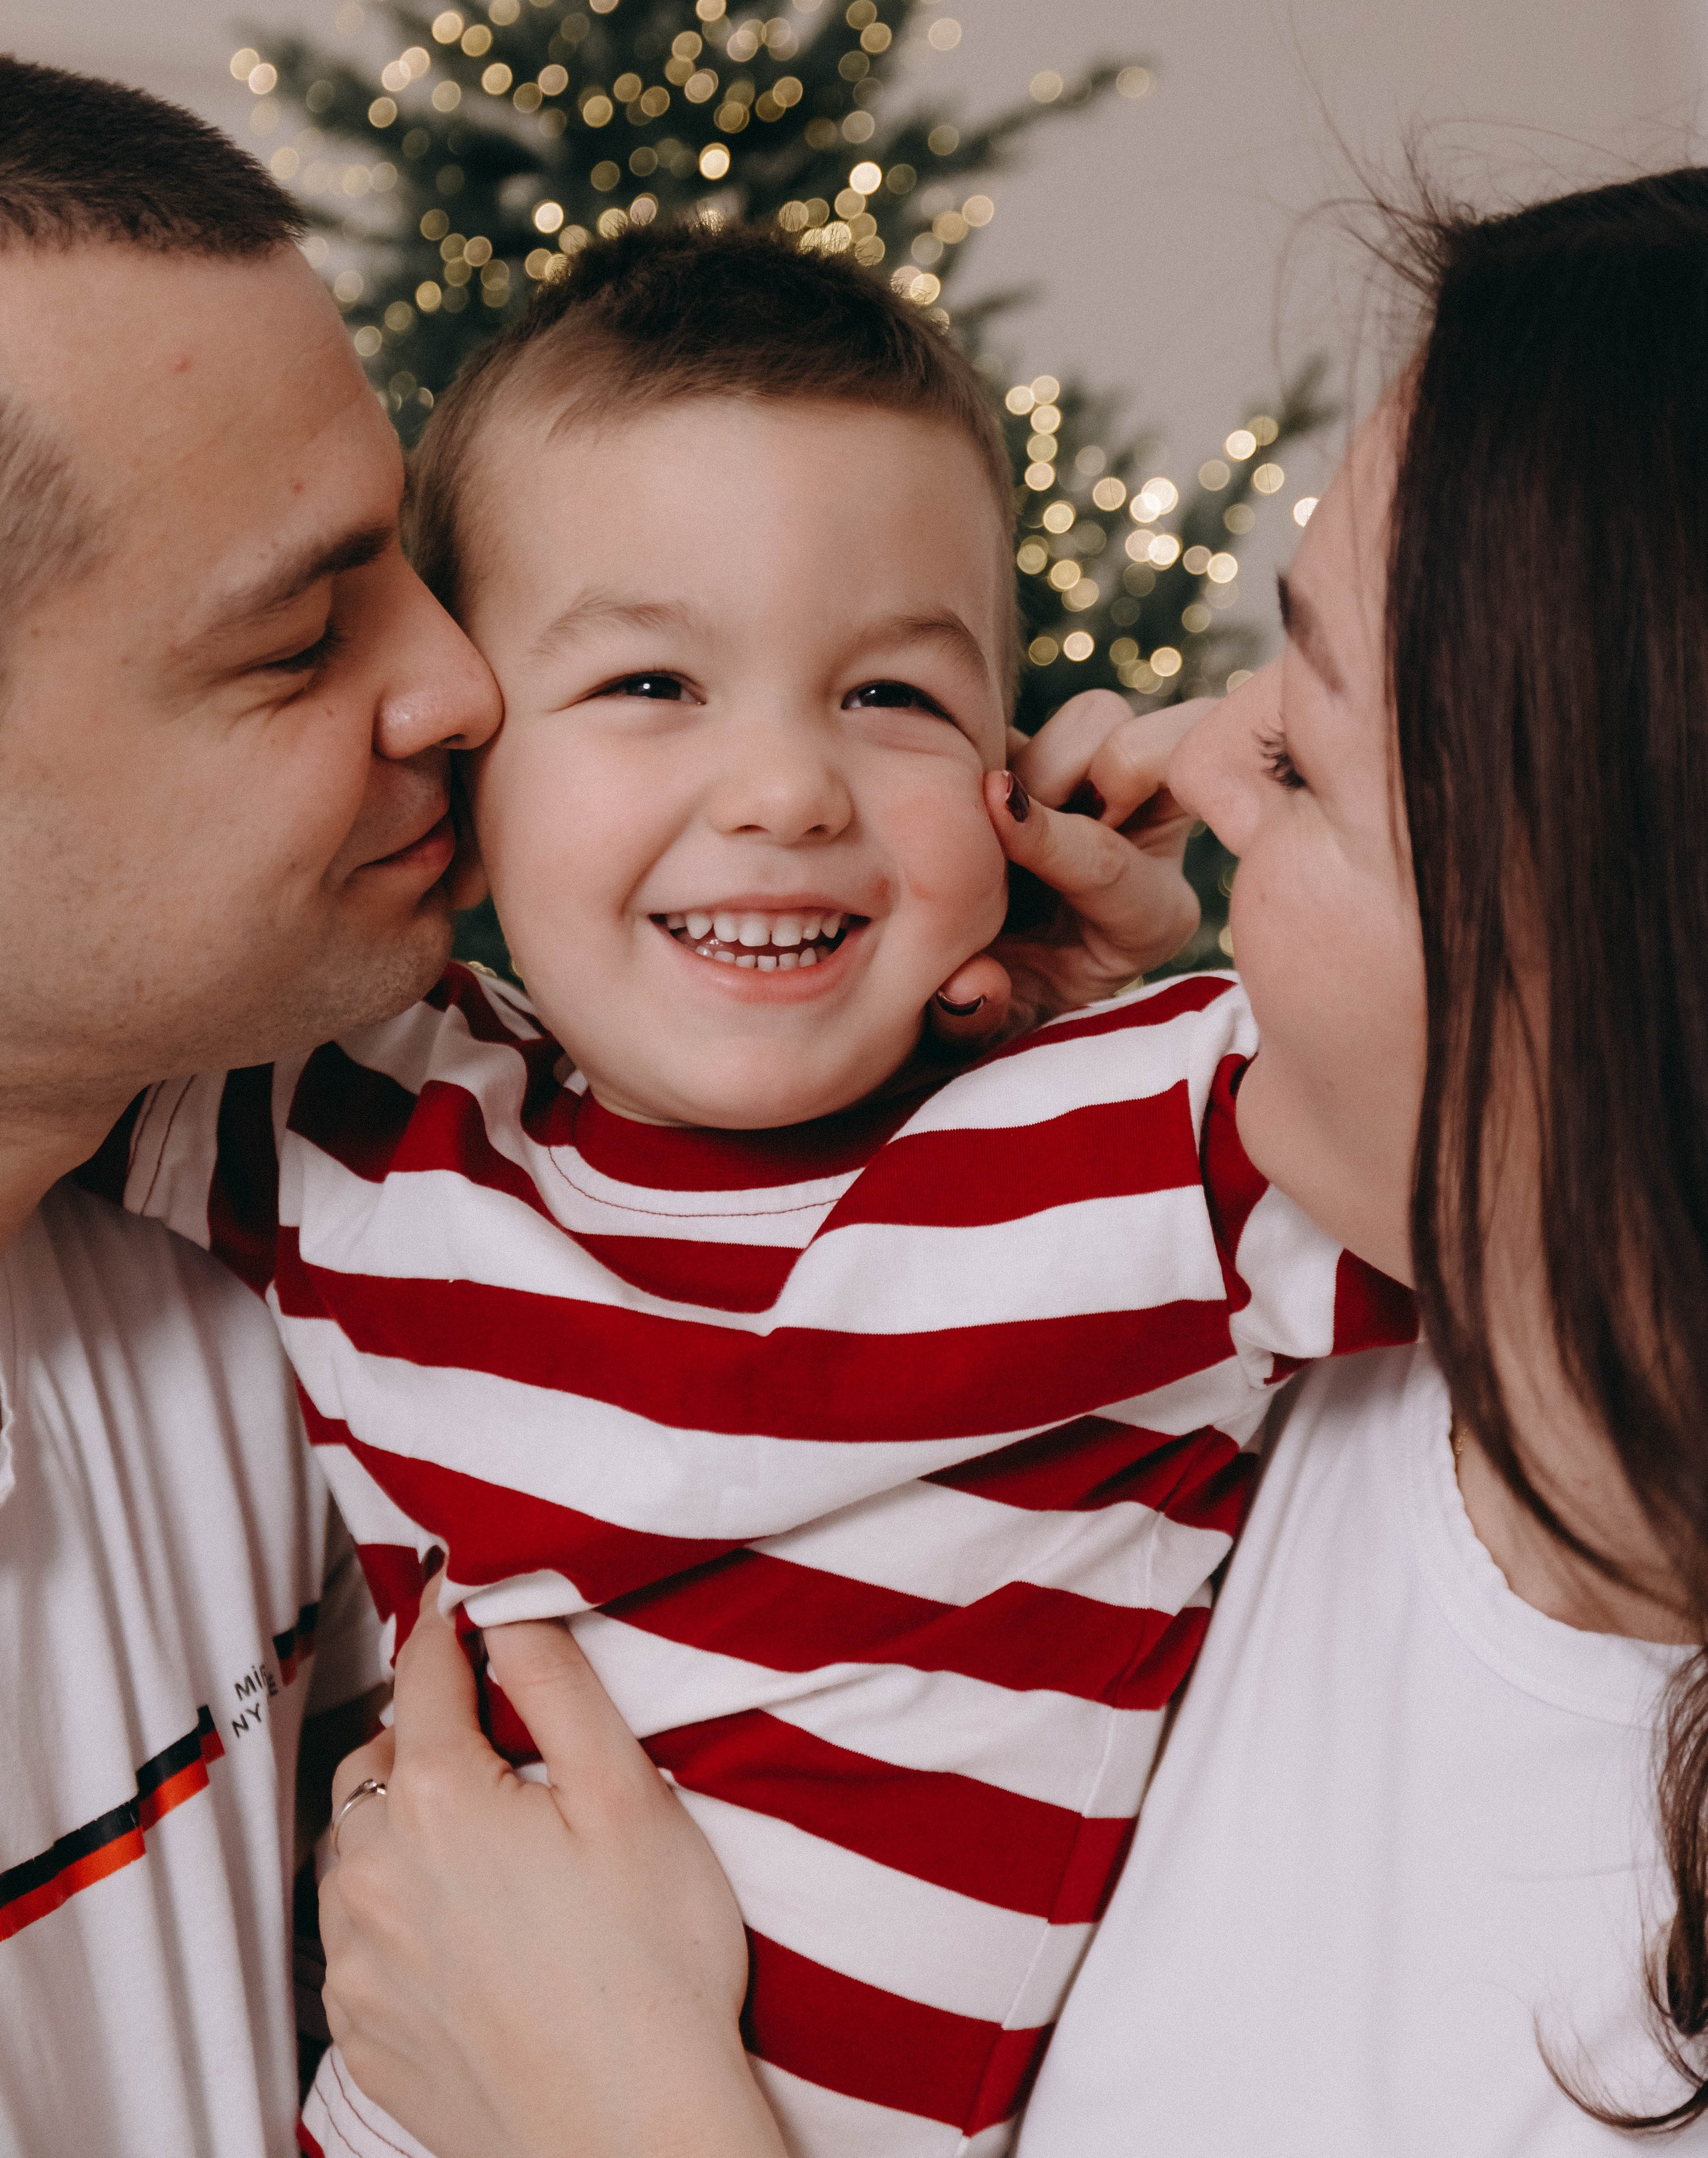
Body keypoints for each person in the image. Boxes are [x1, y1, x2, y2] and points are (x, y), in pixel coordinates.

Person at [316, 164, 1708, 2155]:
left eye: (1306, 756)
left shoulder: (1200, 1214)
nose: (1167, 763)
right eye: (649, 686)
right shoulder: (392, 1132)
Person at [93, 221, 1411, 2158]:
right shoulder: (360, 1116)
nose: (787, 788)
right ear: (462, 783)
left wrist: (1223, 880)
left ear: (1011, 775)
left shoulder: (1152, 1141)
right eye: (651, 681)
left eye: (894, 699)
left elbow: (1578, 1135)